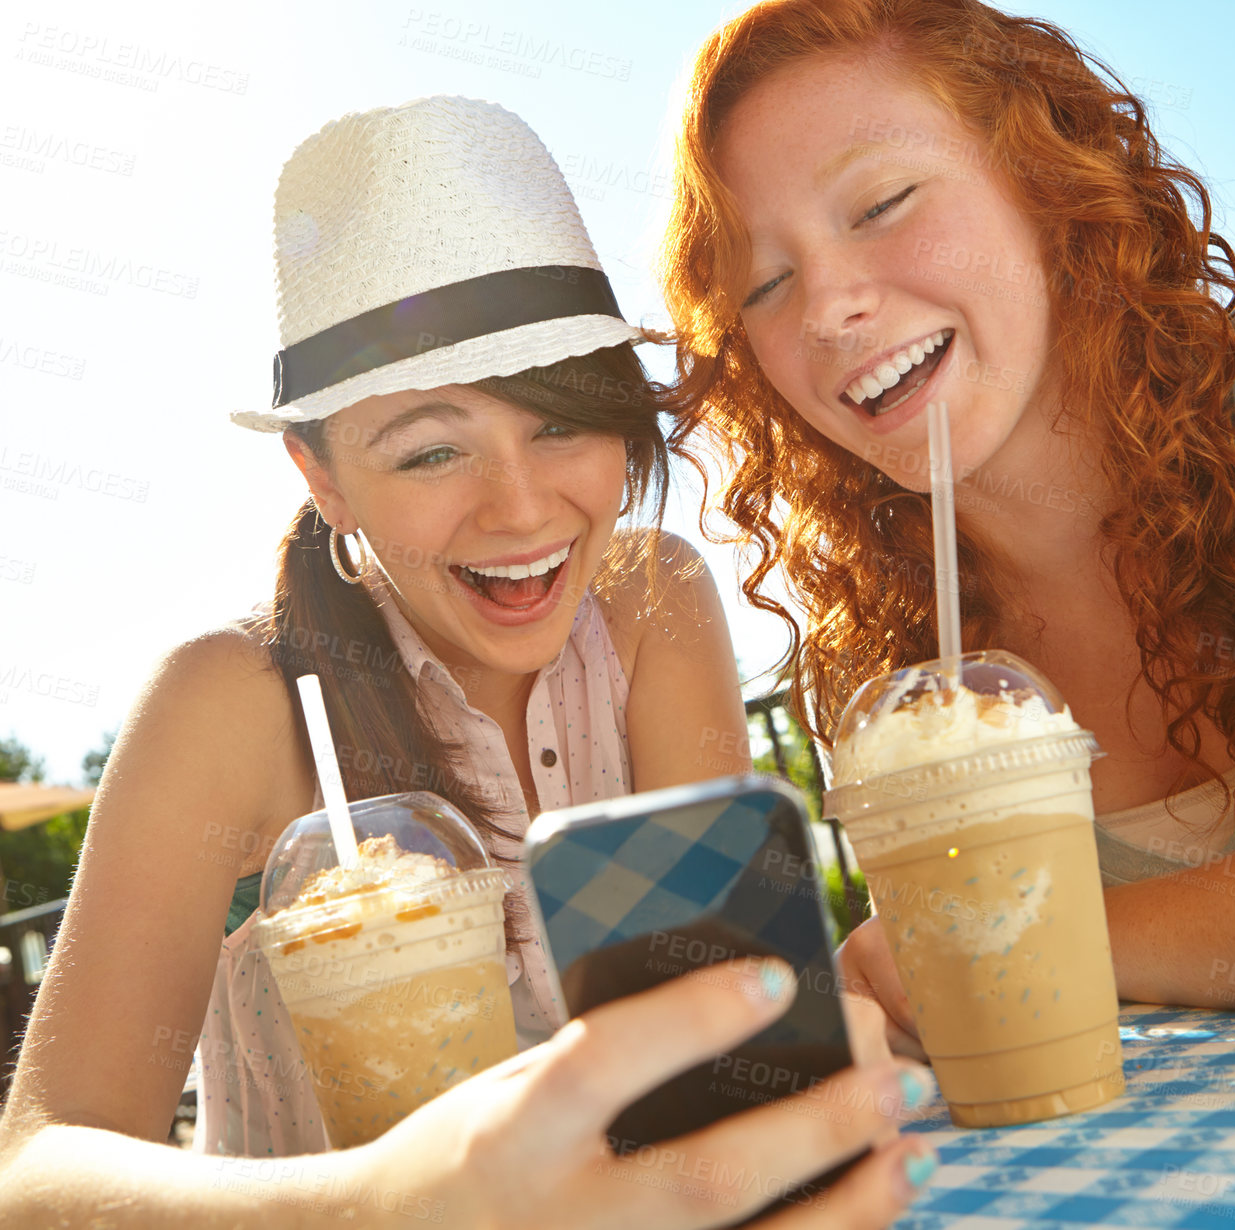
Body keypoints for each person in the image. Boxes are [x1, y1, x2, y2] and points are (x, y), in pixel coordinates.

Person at [0, 96, 937, 1228]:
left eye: (559, 424)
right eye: (433, 450)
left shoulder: (654, 605)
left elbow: (713, 1037)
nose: (521, 508)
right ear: (324, 476)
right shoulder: (228, 700)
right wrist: (381, 1204)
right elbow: (37, 1169)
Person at [657, 0, 1235, 1041]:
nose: (827, 307)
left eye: (881, 202)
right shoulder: (886, 658)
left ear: (1041, 180)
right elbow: (990, 1023)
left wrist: (1021, 939)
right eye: (765, 281)